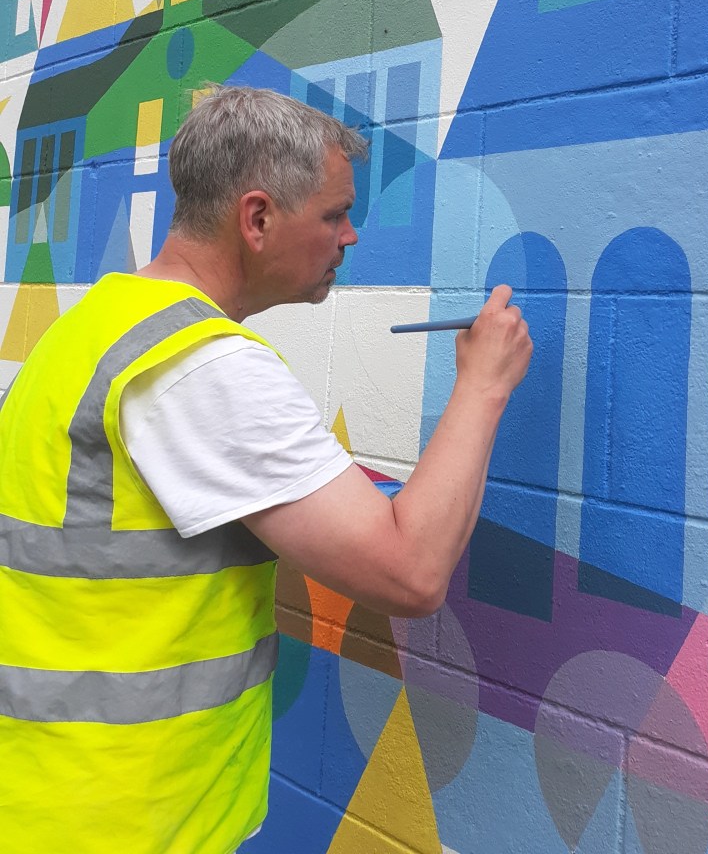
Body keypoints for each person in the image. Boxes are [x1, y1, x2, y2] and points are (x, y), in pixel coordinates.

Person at [0, 85, 532, 854]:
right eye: (334, 214)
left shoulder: (93, 328)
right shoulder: (203, 370)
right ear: (256, 219)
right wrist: (483, 386)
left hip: (44, 793)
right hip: (127, 819)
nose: (350, 235)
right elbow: (410, 573)